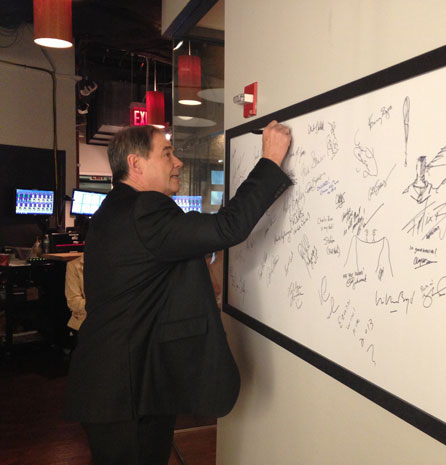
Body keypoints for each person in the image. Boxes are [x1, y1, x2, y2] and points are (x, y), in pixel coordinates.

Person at [64, 121, 292, 465]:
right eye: (167, 154)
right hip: (128, 390)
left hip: (116, 383)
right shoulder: (143, 210)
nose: (178, 163)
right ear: (136, 164)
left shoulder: (115, 209)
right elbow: (227, 226)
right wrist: (271, 162)